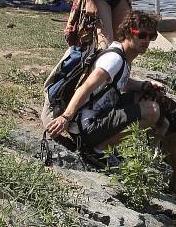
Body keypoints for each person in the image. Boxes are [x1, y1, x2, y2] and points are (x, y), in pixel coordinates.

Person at [46, 10, 168, 162]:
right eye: (142, 35)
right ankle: (98, 150)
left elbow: (120, 83)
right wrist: (65, 117)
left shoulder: (123, 57)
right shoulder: (114, 59)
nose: (147, 40)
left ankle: (106, 144)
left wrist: (145, 85)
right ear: (128, 33)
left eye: (152, 36)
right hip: (87, 126)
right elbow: (86, 87)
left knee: (143, 96)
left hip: (97, 118)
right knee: (152, 111)